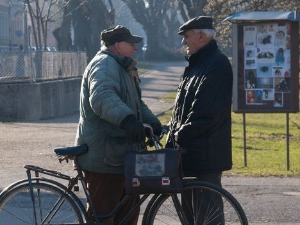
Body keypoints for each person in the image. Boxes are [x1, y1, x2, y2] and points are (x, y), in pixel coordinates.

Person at [75, 25, 161, 224]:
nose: (135, 48)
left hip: (122, 156)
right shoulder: (105, 65)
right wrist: (128, 120)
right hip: (105, 157)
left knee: (127, 217)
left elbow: (136, 104)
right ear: (118, 45)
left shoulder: (122, 67)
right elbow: (102, 98)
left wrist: (153, 124)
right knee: (104, 216)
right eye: (132, 43)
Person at [166, 16, 233, 223]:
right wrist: (169, 130)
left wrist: (177, 134)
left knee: (206, 217)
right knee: (192, 217)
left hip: (205, 156)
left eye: (186, 37)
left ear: (201, 36)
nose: (183, 42)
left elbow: (206, 113)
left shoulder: (216, 64)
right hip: (191, 154)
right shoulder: (197, 64)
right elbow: (182, 110)